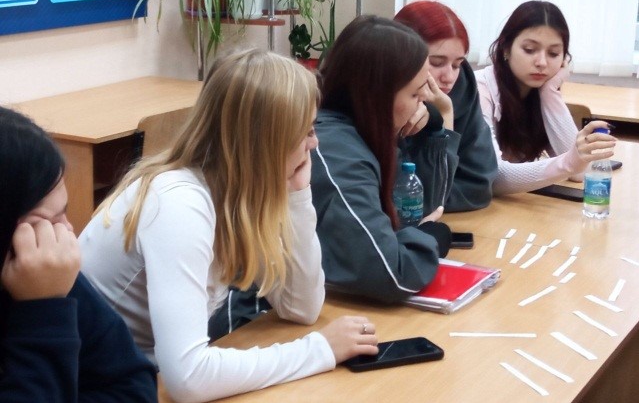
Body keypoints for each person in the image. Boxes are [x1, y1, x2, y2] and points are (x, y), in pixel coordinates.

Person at [79, 48, 379, 403]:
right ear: (265, 145)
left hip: (143, 375)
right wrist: (319, 350)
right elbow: (188, 379)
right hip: (98, 386)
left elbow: (301, 307)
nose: (315, 143)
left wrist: (298, 195)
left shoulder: (236, 192)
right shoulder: (179, 206)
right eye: (306, 131)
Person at [0, 107, 157, 403]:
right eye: (44, 222)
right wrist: (42, 309)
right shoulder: (38, 275)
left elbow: (136, 388)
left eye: (63, 213)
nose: (67, 233)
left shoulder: (43, 266)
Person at [311, 15, 452, 304]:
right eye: (416, 92)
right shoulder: (338, 153)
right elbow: (391, 273)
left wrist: (434, 129)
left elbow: (422, 208)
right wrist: (431, 239)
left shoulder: (364, 131)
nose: (425, 100)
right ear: (377, 95)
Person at [474, 0, 616, 195]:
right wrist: (570, 162)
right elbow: (494, 177)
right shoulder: (479, 88)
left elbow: (579, 173)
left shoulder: (540, 90)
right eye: (529, 50)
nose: (541, 62)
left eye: (553, 53)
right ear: (506, 48)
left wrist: (550, 92)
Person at [394, 0, 497, 211]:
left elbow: (480, 183)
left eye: (457, 64)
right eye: (437, 62)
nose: (449, 77)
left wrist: (442, 116)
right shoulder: (385, 97)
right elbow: (404, 198)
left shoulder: (462, 86)